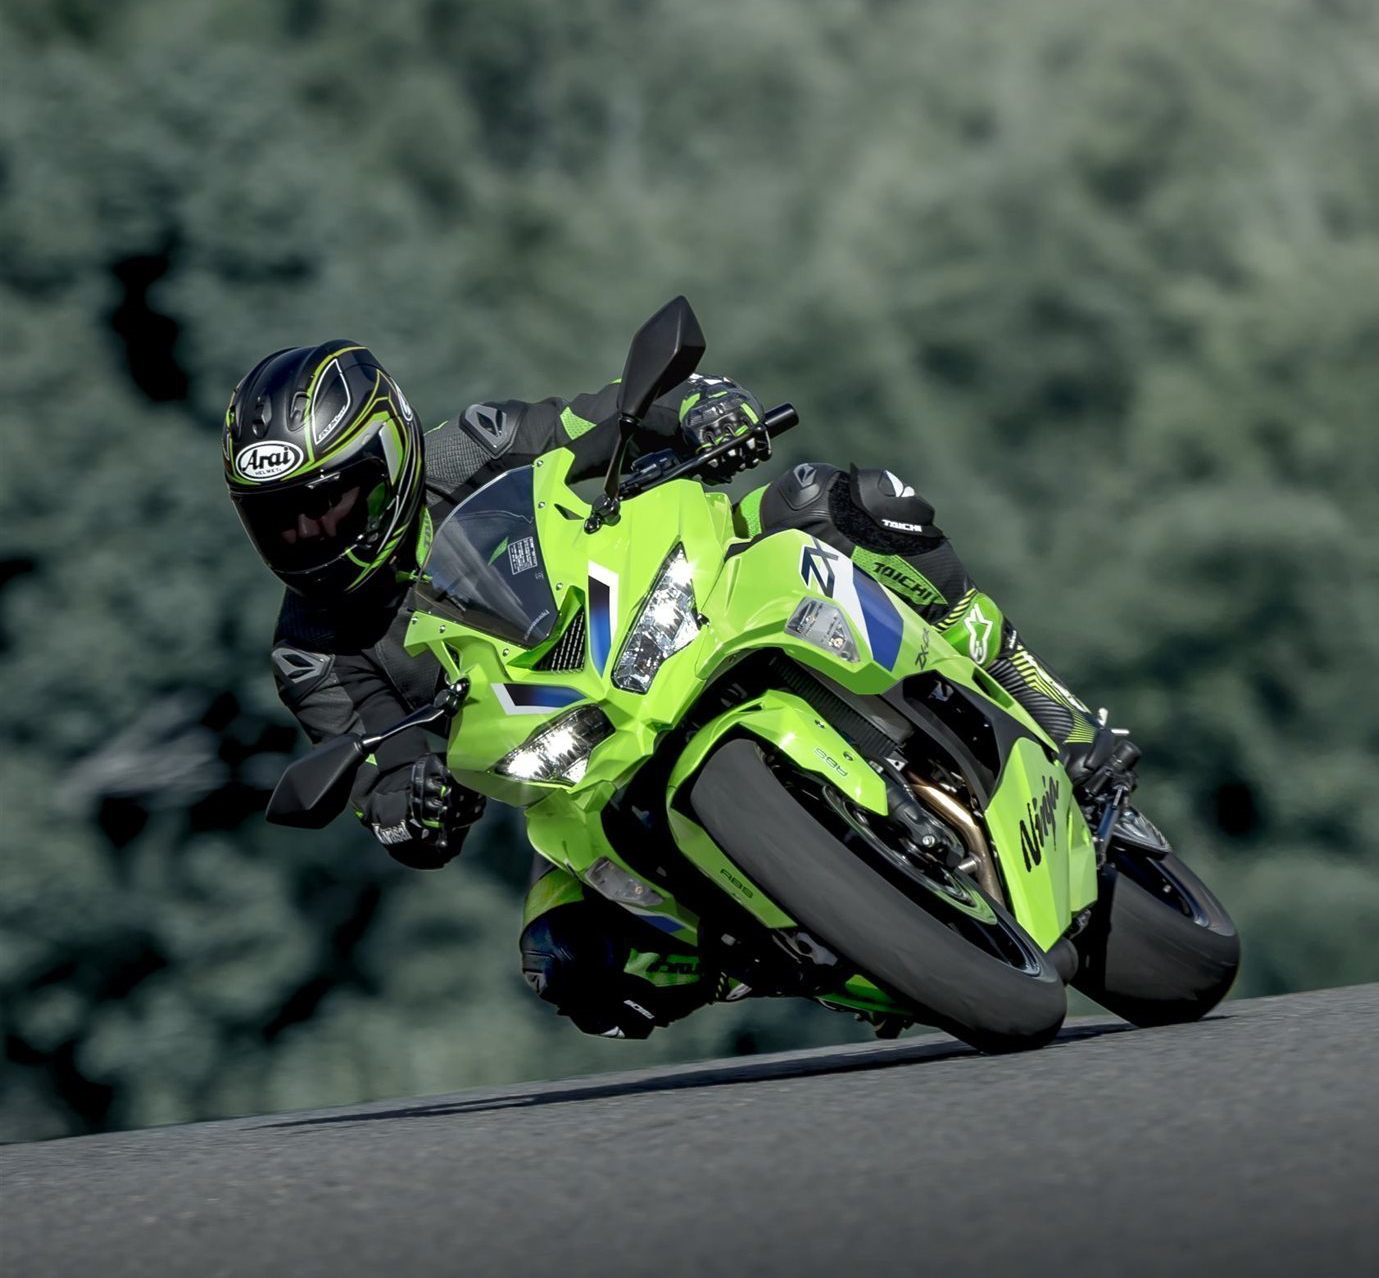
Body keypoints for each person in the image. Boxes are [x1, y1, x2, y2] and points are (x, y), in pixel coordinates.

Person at [224, 330, 1139, 1039]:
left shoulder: (472, 448)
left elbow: (605, 417)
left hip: (658, 607)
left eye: (329, 501)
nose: (309, 534)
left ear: (391, 456)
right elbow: (376, 772)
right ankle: (799, 946)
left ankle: (1042, 702)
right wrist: (409, 806)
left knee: (835, 500)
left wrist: (702, 409)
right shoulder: (312, 652)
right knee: (564, 960)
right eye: (281, 521)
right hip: (569, 766)